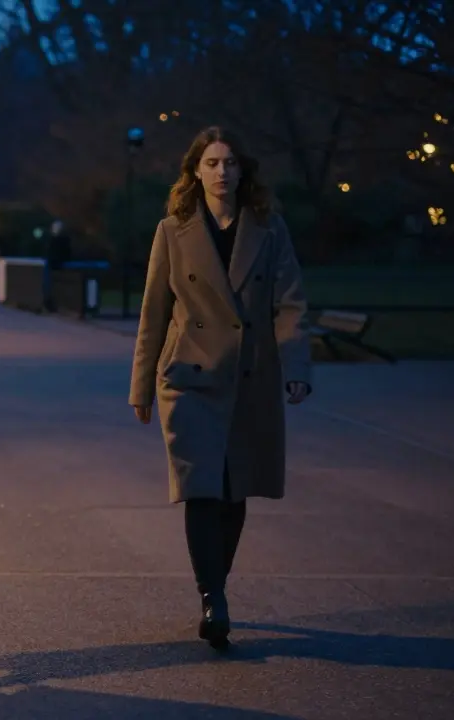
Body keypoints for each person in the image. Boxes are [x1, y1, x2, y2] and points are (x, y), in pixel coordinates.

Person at [128, 126, 312, 651]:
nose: (221, 172)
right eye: (210, 163)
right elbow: (154, 313)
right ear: (195, 172)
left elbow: (291, 300)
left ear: (242, 170)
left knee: (235, 491)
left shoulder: (268, 228)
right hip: (189, 378)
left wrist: (297, 364)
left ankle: (218, 586)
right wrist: (140, 385)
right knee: (202, 489)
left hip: (250, 377)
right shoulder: (173, 230)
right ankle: (212, 596)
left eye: (229, 162)